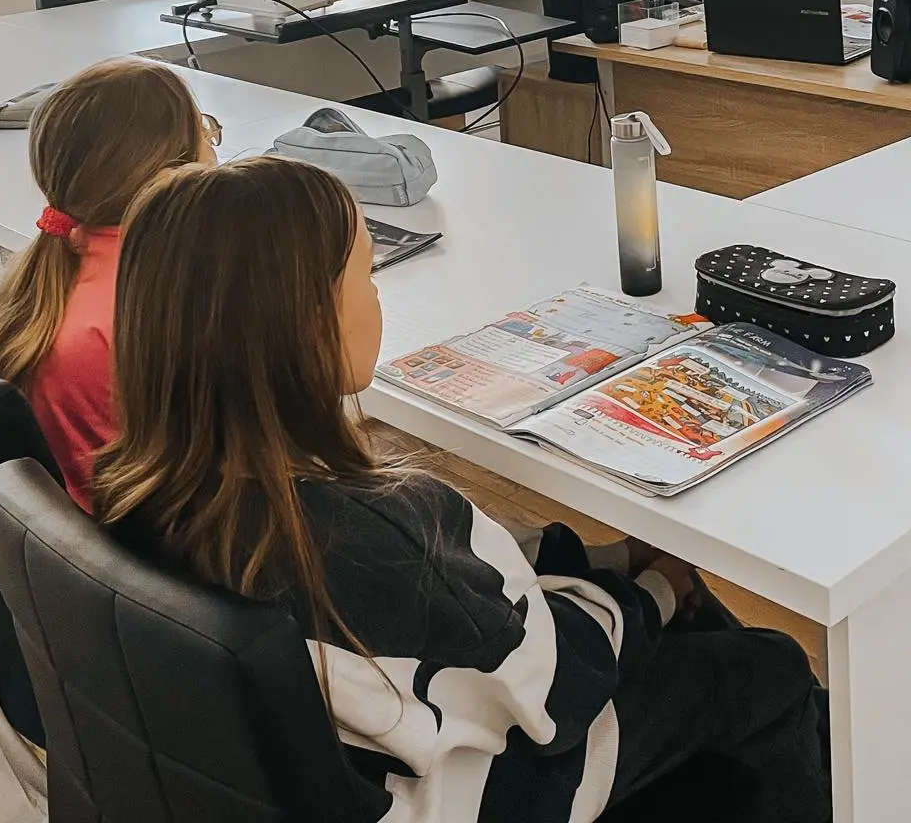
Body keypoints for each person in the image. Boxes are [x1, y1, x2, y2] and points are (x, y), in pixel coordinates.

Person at [90, 156, 831, 822]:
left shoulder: (136, 488)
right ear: (313, 323)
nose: (376, 300)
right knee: (769, 667)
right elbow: (554, 679)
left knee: (676, 624)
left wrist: (608, 562)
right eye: (366, 277)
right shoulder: (384, 531)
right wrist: (651, 593)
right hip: (498, 786)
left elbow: (473, 588)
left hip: (359, 755)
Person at [0, 57, 213, 509]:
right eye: (206, 134)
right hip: (156, 548)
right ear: (170, 173)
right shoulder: (157, 307)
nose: (215, 152)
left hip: (86, 546)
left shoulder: (57, 270)